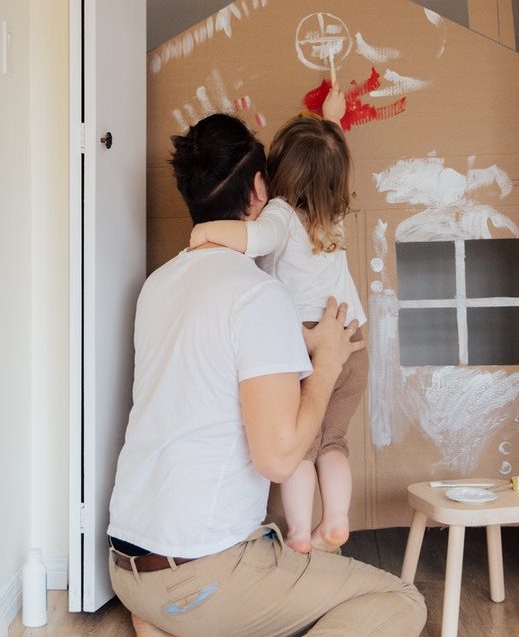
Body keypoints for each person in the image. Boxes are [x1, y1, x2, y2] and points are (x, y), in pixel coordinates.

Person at [107, 112, 426, 637]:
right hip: (199, 575)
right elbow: (278, 459)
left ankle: (165, 618)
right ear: (259, 186)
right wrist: (326, 362)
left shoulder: (158, 285)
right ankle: (191, 613)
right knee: (399, 600)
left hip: (129, 568)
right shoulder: (258, 296)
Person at [189, 85, 366, 555]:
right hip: (352, 342)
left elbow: (250, 238)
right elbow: (330, 158)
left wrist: (205, 230)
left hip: (306, 345)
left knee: (303, 447)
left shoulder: (282, 215)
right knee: (335, 443)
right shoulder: (336, 214)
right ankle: (339, 518)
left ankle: (301, 531)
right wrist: (334, 122)